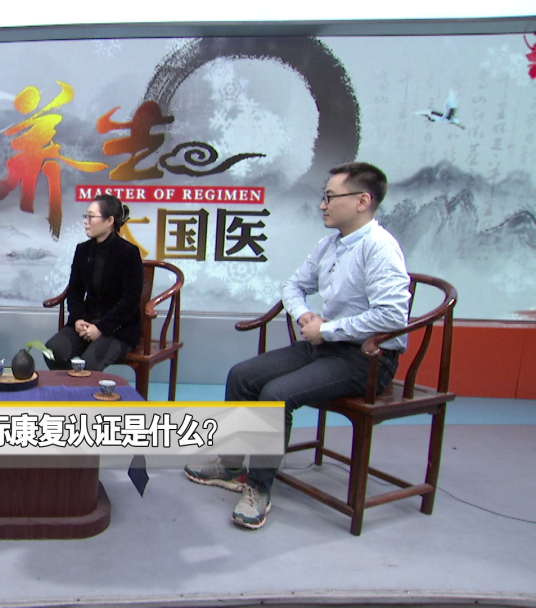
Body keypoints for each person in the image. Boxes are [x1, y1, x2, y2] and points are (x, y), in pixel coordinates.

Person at [184, 162, 411, 530]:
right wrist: (305, 315)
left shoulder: (380, 248)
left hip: (367, 359)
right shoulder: (330, 244)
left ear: (362, 201)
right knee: (242, 375)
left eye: (330, 197)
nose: (322, 205)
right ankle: (231, 464)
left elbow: (392, 317)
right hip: (326, 345)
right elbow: (293, 286)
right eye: (323, 197)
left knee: (276, 395)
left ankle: (259, 488)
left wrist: (329, 329)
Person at [44, 194, 144, 371]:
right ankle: (70, 387)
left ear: (109, 221)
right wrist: (78, 319)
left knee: (88, 365)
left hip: (117, 328)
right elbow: (74, 291)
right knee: (52, 350)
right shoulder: (83, 250)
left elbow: (130, 301)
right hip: (86, 321)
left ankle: (80, 387)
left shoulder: (128, 252)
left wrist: (101, 328)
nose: (86, 221)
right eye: (86, 216)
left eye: (91, 217)